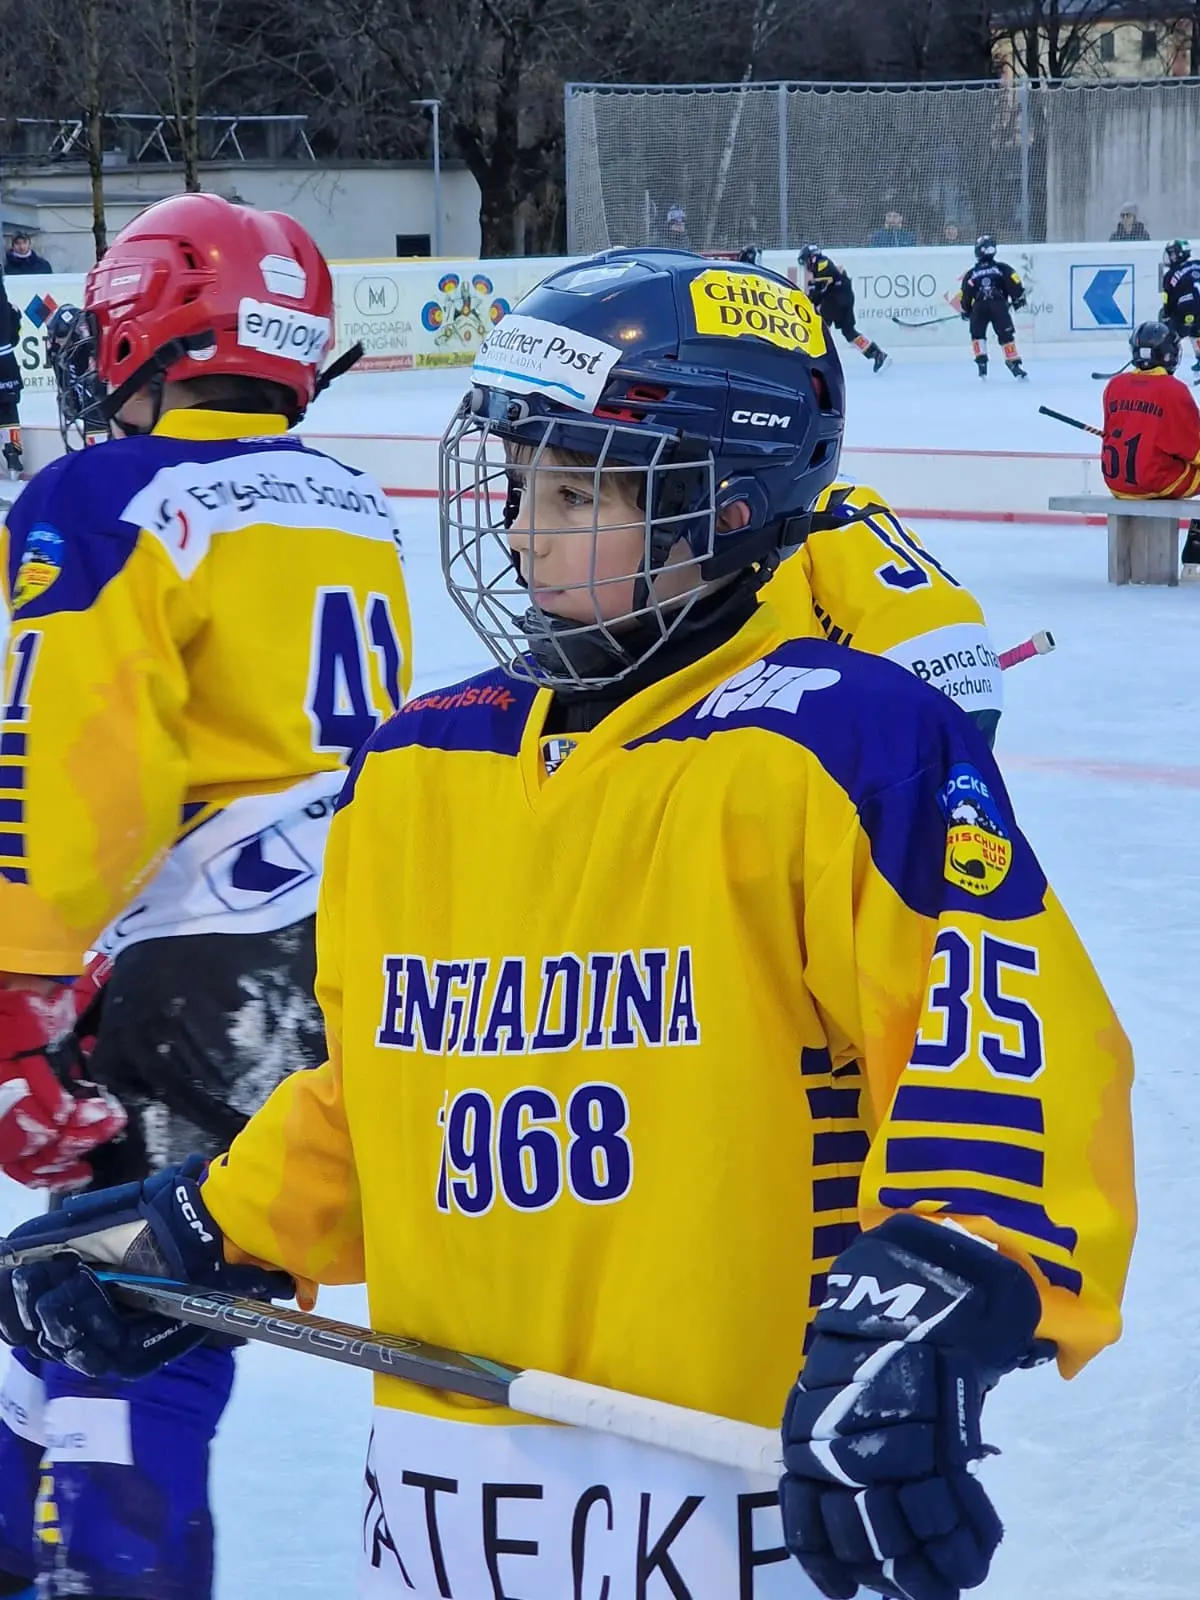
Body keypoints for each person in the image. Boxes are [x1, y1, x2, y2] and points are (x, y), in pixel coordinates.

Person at [0, 248, 1135, 1600]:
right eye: (517, 483)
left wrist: (940, 1295)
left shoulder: (842, 744)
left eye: (579, 492)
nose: (523, 532)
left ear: (719, 506)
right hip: (444, 1514)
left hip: (743, 1510)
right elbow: (388, 1094)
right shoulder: (423, 761)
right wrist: (209, 1227)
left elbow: (1006, 1051)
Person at [0, 191, 413, 1600]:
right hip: (336, 940)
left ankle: (108, 1574)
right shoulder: (347, 498)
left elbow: (71, 753)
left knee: (121, 1291)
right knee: (92, 1279)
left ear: (138, 326)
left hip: (192, 960)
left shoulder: (98, 497)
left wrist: (19, 975)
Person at [760, 478, 1003, 742]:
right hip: (976, 657)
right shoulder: (850, 488)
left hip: (897, 668)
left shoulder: (777, 516)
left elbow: (787, 647)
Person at [1101, 319, 1200, 578]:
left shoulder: (1114, 385)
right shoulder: (1173, 390)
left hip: (1118, 483)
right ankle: (1195, 558)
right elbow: (1193, 449)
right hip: (1155, 482)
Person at [799, 244, 890, 372]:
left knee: (820, 327)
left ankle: (821, 359)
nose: (806, 265)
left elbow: (819, 292)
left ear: (812, 258)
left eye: (806, 260)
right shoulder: (822, 264)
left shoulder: (822, 264)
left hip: (836, 300)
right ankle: (876, 353)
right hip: (844, 297)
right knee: (849, 332)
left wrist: (808, 298)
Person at [960, 234, 1028, 380]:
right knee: (1006, 335)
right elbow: (1015, 284)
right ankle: (1014, 363)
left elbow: (965, 293)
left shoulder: (971, 274)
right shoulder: (1003, 268)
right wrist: (1018, 299)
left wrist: (966, 310)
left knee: (977, 334)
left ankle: (981, 365)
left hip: (979, 308)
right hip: (999, 307)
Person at [44, 303, 106, 449]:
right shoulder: (63, 356)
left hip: (100, 413)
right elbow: (69, 400)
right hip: (88, 413)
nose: (57, 342)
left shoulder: (92, 350)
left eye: (60, 337)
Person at [1160, 239, 1200, 374]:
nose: (1170, 258)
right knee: (1197, 331)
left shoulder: (1170, 275)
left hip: (1186, 309)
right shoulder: (1198, 264)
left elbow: (1167, 300)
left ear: (1178, 255)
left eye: (1171, 254)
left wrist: (1166, 315)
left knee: (1171, 337)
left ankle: (1167, 365)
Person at [0, 296, 23, 475]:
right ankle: (13, 454)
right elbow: (15, 338)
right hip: (7, 362)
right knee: (9, 409)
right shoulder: (9, 307)